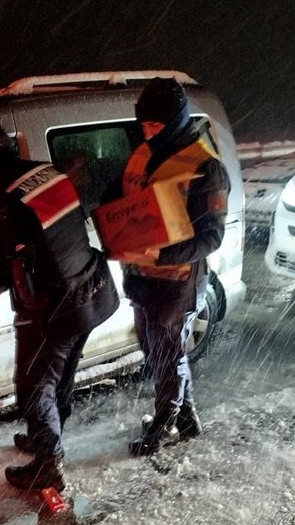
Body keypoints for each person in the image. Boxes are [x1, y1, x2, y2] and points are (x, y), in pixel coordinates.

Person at [0, 120, 119, 491]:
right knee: (60, 377)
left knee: (34, 387)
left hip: (52, 308)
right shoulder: (47, 172)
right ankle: (46, 438)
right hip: (88, 291)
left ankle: (48, 465)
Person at [115, 77, 231, 456]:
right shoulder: (143, 152)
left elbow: (211, 238)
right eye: (143, 125)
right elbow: (128, 195)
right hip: (142, 276)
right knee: (155, 351)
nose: (148, 133)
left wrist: (161, 255)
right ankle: (187, 418)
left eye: (156, 125)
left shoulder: (206, 167)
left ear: (177, 120)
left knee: (167, 356)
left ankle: (164, 425)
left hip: (178, 281)